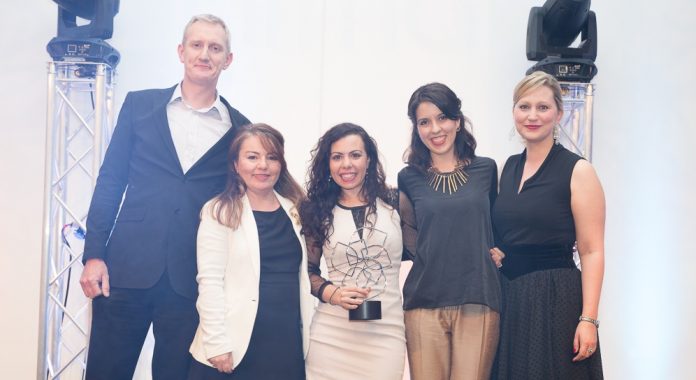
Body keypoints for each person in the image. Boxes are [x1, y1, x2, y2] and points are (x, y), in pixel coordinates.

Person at [79, 14, 250, 379]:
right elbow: (111, 181)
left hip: (191, 280)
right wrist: (93, 255)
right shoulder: (140, 106)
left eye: (215, 48)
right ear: (181, 51)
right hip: (124, 271)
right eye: (197, 45)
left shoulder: (240, 129)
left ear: (228, 59)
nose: (205, 54)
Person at [491, 71, 605, 379]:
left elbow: (592, 250)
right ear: (514, 111)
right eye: (524, 106)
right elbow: (505, 233)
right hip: (510, 299)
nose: (532, 116)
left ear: (559, 113)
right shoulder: (505, 169)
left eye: (542, 107)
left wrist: (589, 320)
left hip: (555, 301)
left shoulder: (579, 170)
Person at [188, 123, 314, 379]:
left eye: (272, 157)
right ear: (236, 164)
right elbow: (209, 282)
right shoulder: (219, 211)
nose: (263, 166)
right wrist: (217, 343)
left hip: (285, 345)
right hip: (233, 344)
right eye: (252, 157)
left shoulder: (296, 209)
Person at [398, 83, 501, 380]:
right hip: (423, 301)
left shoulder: (487, 170)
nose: (435, 129)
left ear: (457, 121)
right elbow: (411, 237)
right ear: (416, 129)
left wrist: (502, 250)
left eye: (442, 117)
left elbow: (497, 227)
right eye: (424, 122)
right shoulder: (408, 177)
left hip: (478, 297)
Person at [299, 123, 406, 379]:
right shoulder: (315, 209)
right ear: (328, 164)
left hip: (386, 334)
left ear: (368, 159)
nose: (346, 164)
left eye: (355, 155)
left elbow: (427, 250)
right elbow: (307, 272)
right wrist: (332, 293)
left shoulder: (396, 202)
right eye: (337, 157)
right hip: (331, 335)